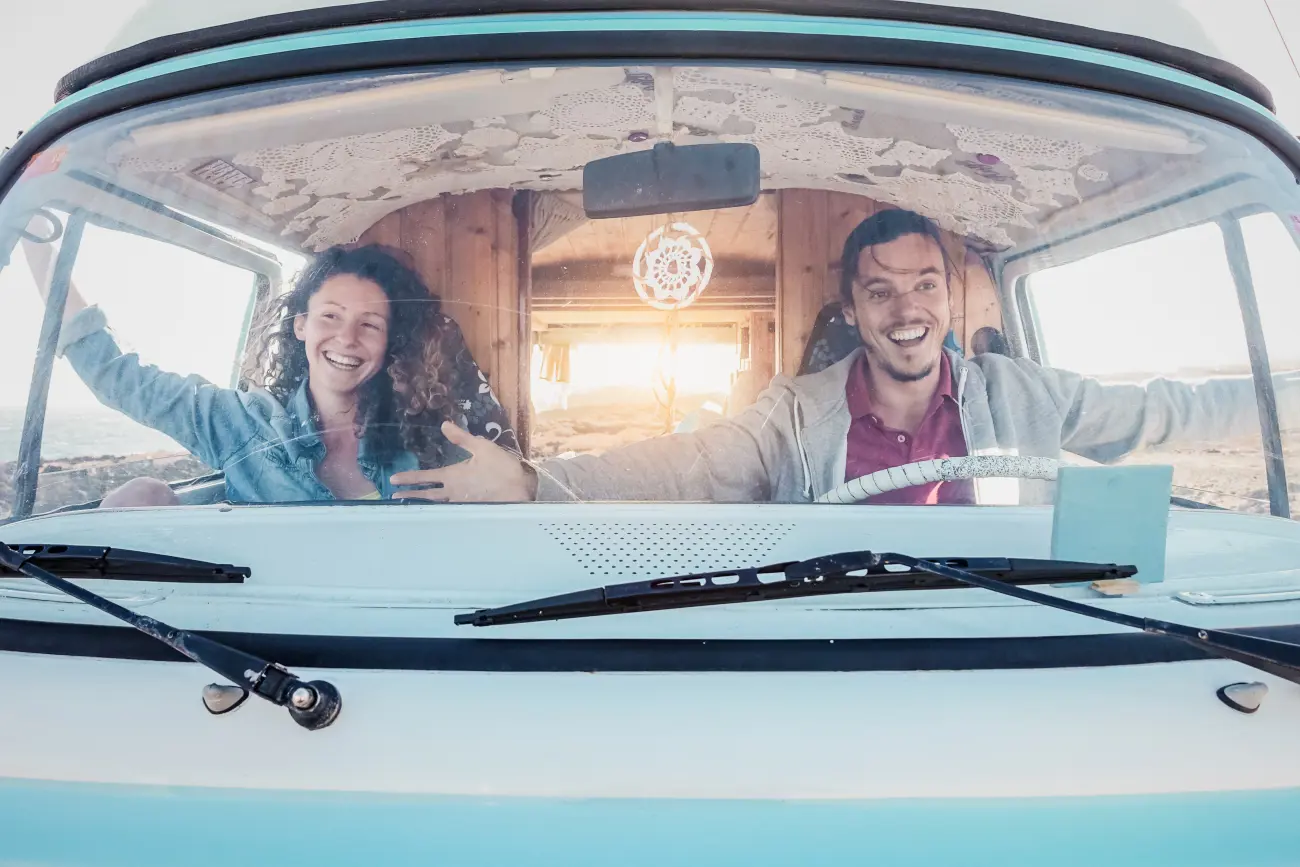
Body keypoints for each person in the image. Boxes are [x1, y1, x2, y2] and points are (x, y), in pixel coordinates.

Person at [388, 208, 1296, 506]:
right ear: (853, 309)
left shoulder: (1024, 397)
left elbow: (1170, 412)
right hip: (830, 636)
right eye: (882, 290)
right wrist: (529, 482)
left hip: (1015, 637)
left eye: (926, 286)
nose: (909, 310)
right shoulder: (794, 412)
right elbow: (683, 466)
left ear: (949, 293)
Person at [26, 241, 517, 505]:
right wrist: (40, 238)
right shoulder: (237, 423)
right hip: (269, 651)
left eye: (369, 325)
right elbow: (112, 374)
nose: (346, 339)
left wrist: (522, 488)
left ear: (389, 343)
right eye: (330, 316)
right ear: (300, 325)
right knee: (139, 496)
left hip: (393, 642)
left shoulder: (430, 434)